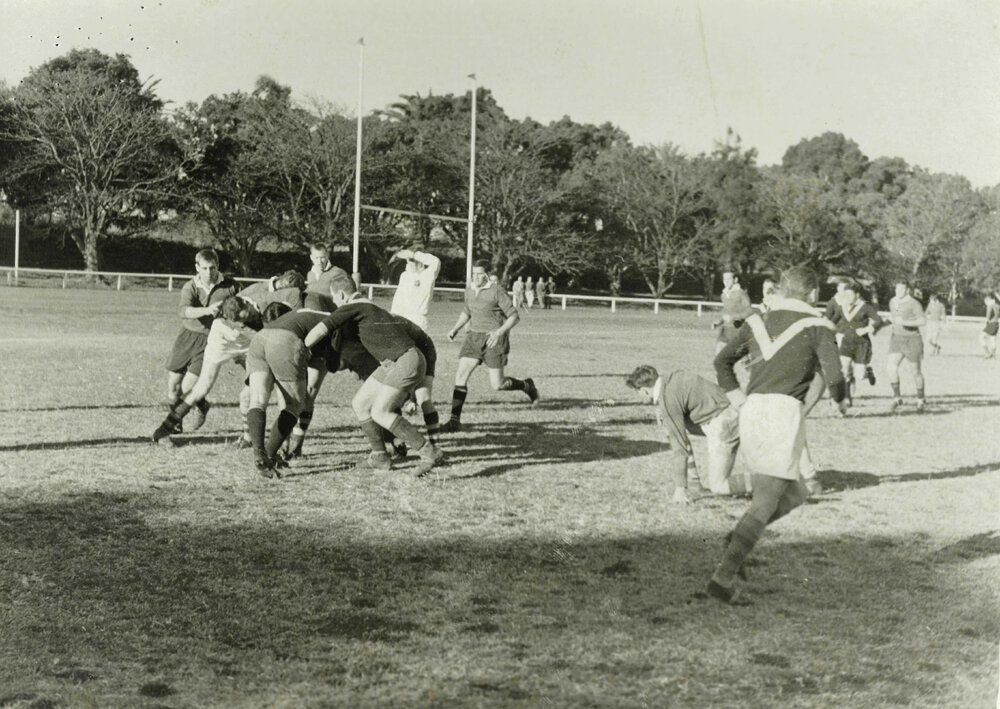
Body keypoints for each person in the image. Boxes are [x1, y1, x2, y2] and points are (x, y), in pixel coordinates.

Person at [709, 266, 846, 603]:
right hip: (782, 414)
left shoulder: (758, 321)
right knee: (767, 501)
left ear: (783, 290)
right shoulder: (818, 326)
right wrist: (838, 398)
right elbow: (837, 381)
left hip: (754, 410)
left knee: (797, 491)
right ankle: (722, 579)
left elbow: (722, 362)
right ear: (813, 294)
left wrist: (739, 399)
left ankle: (736, 540)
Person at [304, 274, 443, 475]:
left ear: (342, 295)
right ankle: (380, 456)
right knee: (360, 403)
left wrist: (302, 348)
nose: (335, 303)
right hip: (394, 362)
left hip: (405, 359)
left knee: (380, 412)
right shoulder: (369, 307)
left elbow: (321, 329)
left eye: (335, 298)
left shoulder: (353, 306)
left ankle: (429, 451)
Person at [440, 260, 539, 432]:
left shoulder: (497, 291)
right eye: (474, 274)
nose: (476, 277)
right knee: (461, 375)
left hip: (494, 339)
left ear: (486, 274)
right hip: (473, 339)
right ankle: (454, 421)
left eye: (480, 274)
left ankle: (527, 385)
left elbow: (514, 316)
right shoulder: (469, 291)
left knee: (497, 384)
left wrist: (498, 332)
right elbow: (467, 311)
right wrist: (455, 329)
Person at [624, 365, 748, 502]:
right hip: (736, 412)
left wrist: (680, 489)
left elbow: (679, 446)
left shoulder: (667, 399)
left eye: (637, 392)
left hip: (725, 425)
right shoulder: (673, 376)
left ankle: (770, 483)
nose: (638, 395)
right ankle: (695, 484)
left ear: (644, 390)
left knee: (718, 485)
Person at [153, 295, 262, 446]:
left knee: (252, 389)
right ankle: (163, 430)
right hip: (222, 341)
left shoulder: (254, 302)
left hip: (249, 345)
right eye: (239, 321)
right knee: (201, 388)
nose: (245, 321)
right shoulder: (220, 320)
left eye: (247, 317)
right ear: (228, 318)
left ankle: (248, 437)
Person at [163, 249, 238, 433]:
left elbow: (241, 308)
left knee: (189, 386)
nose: (208, 272)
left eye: (212, 268)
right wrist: (206, 311)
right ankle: (202, 406)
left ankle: (175, 423)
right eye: (204, 268)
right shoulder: (191, 286)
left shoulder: (231, 286)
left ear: (217, 266)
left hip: (211, 340)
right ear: (197, 267)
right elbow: (183, 311)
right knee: (173, 387)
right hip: (187, 337)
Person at [835, 282, 884, 406]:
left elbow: (879, 320)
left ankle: (868, 372)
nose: (848, 298)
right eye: (846, 295)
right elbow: (833, 319)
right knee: (845, 369)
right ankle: (847, 397)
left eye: (850, 295)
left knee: (860, 375)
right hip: (847, 342)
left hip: (861, 344)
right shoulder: (843, 307)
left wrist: (866, 329)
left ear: (857, 295)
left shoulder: (865, 307)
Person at [886, 281, 927, 412]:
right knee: (891, 367)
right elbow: (896, 315)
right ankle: (897, 397)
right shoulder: (894, 301)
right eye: (896, 288)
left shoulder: (914, 303)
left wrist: (904, 322)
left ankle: (920, 399)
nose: (898, 291)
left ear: (907, 290)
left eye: (901, 289)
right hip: (897, 339)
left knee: (915, 372)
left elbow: (922, 321)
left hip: (912, 339)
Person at [389, 245, 441, 331]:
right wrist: (393, 318)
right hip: (402, 318)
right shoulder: (405, 276)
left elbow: (436, 262)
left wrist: (413, 255)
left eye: (415, 260)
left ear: (422, 260)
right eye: (410, 260)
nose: (413, 263)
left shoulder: (428, 275)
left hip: (419, 320)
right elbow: (398, 300)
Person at [714, 271, 753, 354]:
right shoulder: (724, 295)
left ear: (735, 280)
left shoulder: (741, 293)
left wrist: (734, 317)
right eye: (724, 279)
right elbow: (726, 311)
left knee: (739, 358)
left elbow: (749, 311)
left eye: (729, 279)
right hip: (725, 329)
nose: (726, 281)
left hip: (737, 329)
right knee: (718, 354)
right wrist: (719, 321)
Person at [305, 243, 351, 311]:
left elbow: (347, 296)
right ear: (311, 257)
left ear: (327, 255)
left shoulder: (338, 272)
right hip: (311, 313)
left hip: (330, 314)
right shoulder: (310, 274)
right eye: (316, 258)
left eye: (322, 257)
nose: (319, 261)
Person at [979, 294, 999, 358]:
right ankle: (993, 355)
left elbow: (988, 315)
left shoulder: (990, 305)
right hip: (996, 324)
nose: (985, 303)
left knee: (981, 337)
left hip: (992, 324)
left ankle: (987, 353)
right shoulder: (997, 305)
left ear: (989, 300)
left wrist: (987, 320)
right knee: (992, 339)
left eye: (986, 301)